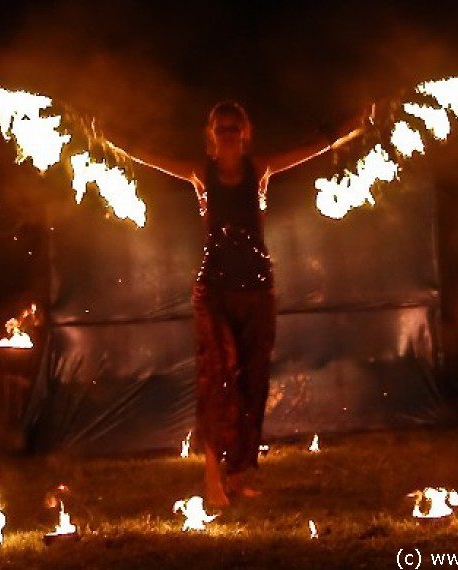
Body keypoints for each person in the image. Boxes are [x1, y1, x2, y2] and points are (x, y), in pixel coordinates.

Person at [110, 102, 362, 506]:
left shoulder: (258, 170)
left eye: (234, 127)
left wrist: (354, 125)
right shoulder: (200, 173)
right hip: (215, 290)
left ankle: (241, 472)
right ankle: (213, 480)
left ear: (244, 132)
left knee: (253, 383)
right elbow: (148, 155)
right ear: (212, 134)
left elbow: (311, 147)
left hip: (258, 290)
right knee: (217, 378)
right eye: (221, 127)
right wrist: (108, 137)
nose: (228, 133)